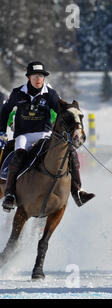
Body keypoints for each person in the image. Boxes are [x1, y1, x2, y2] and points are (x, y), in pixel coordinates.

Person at [0, 61, 95, 211]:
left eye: (41, 76)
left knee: (71, 152)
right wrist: (2, 131)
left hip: (44, 134)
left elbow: (62, 112)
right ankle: (10, 194)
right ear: (29, 77)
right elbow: (5, 110)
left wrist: (72, 127)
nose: (39, 79)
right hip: (23, 135)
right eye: (35, 76)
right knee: (18, 156)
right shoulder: (18, 93)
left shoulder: (50, 94)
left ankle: (77, 191)